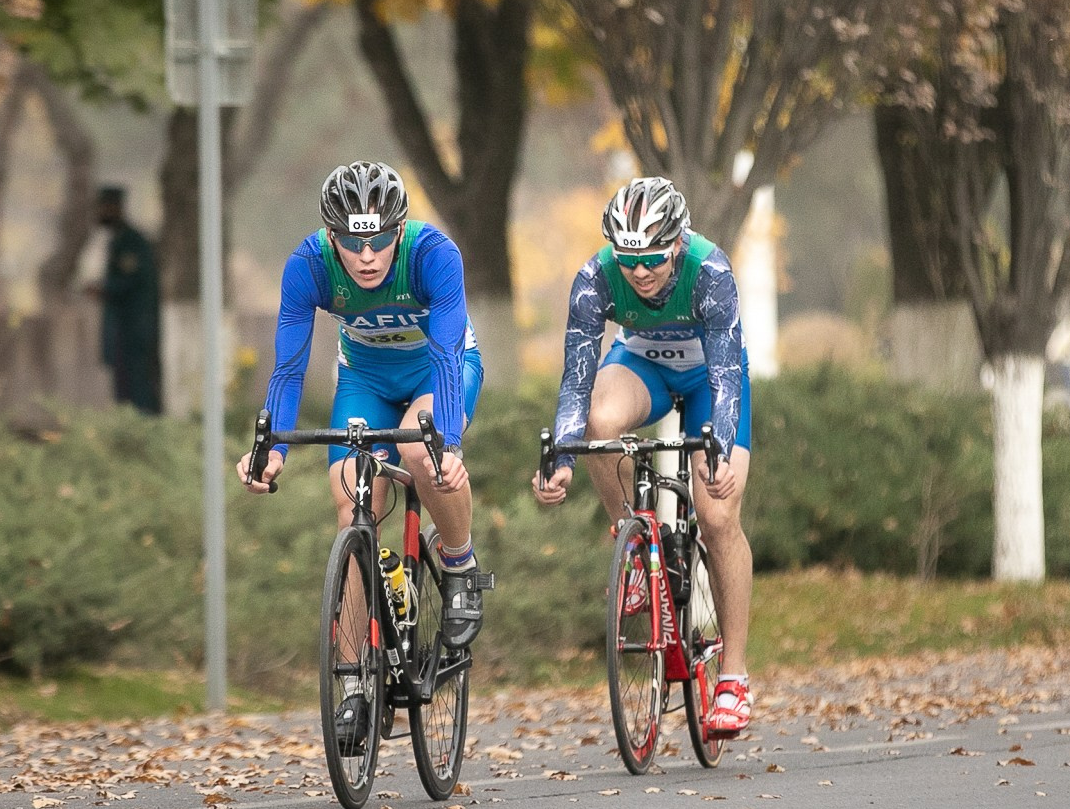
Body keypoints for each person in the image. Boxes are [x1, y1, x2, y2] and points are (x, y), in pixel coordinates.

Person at [532, 177, 757, 737]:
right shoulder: (594, 279)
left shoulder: (711, 272)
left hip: (711, 380)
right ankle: (633, 538)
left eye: (654, 257)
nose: (640, 271)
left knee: (717, 514)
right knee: (599, 426)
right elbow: (575, 382)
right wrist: (560, 457)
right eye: (628, 258)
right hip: (642, 366)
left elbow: (728, 375)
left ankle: (732, 677)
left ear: (678, 242)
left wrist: (720, 450)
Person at [237, 162, 487, 648]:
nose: (367, 256)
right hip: (364, 379)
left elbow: (445, 352)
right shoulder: (308, 265)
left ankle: (459, 564)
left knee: (421, 452)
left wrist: (449, 445)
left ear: (399, 229)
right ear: (332, 236)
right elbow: (288, 369)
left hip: (439, 371)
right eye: (352, 244)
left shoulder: (432, 254)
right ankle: (353, 676)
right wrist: (270, 452)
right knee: (352, 495)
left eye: (379, 241)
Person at [94, 185, 161, 415]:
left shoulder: (131, 242)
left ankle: (142, 430)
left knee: (137, 387)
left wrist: (103, 289)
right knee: (124, 388)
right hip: (123, 330)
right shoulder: (117, 241)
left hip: (134, 330)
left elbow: (131, 281)